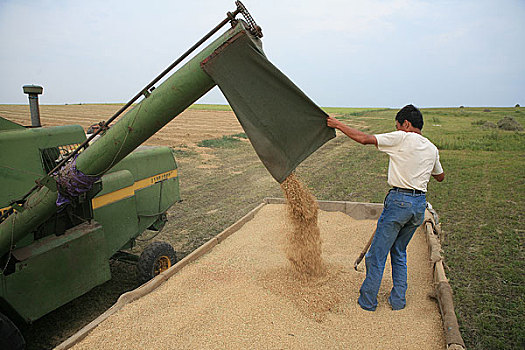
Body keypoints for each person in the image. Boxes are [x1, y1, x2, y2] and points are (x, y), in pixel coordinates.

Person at [326, 104, 445, 311]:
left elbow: (364, 139)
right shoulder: (431, 148)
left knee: (376, 255)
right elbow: (440, 177)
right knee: (399, 251)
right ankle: (398, 301)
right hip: (418, 206)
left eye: (398, 126)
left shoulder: (402, 138)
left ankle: (368, 302)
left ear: (406, 124)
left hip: (399, 201)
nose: (397, 129)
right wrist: (421, 167)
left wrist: (337, 124)